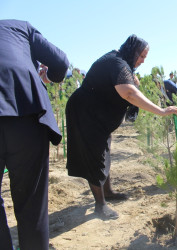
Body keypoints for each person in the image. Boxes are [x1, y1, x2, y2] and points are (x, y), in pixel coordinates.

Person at [66, 34, 177, 220]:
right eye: (141, 56)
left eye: (145, 57)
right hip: (85, 113)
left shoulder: (120, 61)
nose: (143, 61)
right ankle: (100, 205)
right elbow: (129, 93)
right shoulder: (117, 63)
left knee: (104, 151)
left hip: (95, 115)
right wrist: (161, 111)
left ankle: (108, 191)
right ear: (132, 51)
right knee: (94, 155)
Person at [0, 19, 69, 250]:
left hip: (23, 109)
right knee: (32, 205)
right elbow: (60, 62)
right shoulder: (17, 27)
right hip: (26, 110)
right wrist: (50, 77)